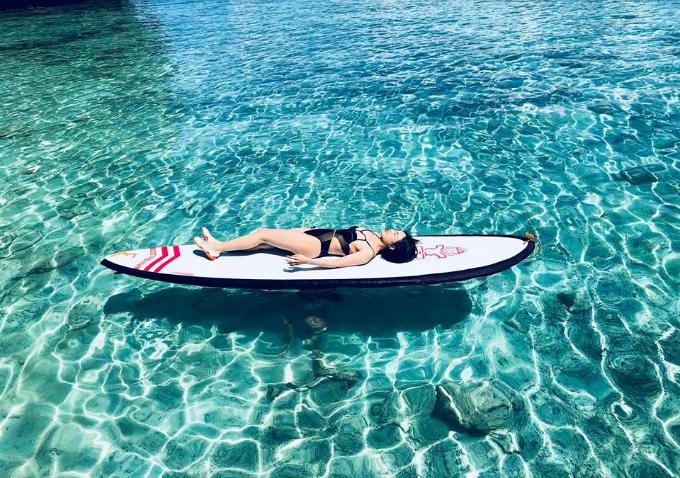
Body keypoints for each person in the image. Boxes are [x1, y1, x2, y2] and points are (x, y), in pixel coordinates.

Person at [193, 226, 418, 268]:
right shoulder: (370, 233)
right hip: (313, 234)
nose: (394, 229)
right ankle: (220, 246)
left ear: (392, 247)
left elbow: (339, 263)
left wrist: (307, 261)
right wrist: (305, 229)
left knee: (263, 234)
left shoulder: (368, 252)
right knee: (264, 241)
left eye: (396, 234)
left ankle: (217, 247)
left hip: (315, 247)